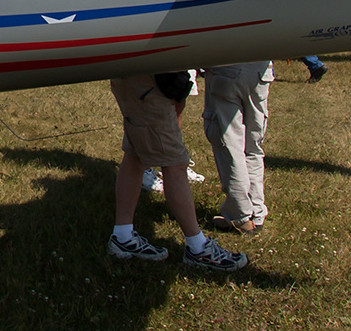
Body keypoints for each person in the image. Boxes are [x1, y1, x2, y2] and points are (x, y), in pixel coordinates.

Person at [107, 74, 249, 272]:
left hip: (140, 82)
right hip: (148, 83)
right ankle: (197, 248)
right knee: (175, 164)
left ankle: (122, 236)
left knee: (135, 156)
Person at [201, 62, 273, 234]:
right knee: (252, 146)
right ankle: (256, 210)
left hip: (227, 67)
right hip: (259, 70)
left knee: (231, 145)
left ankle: (240, 215)